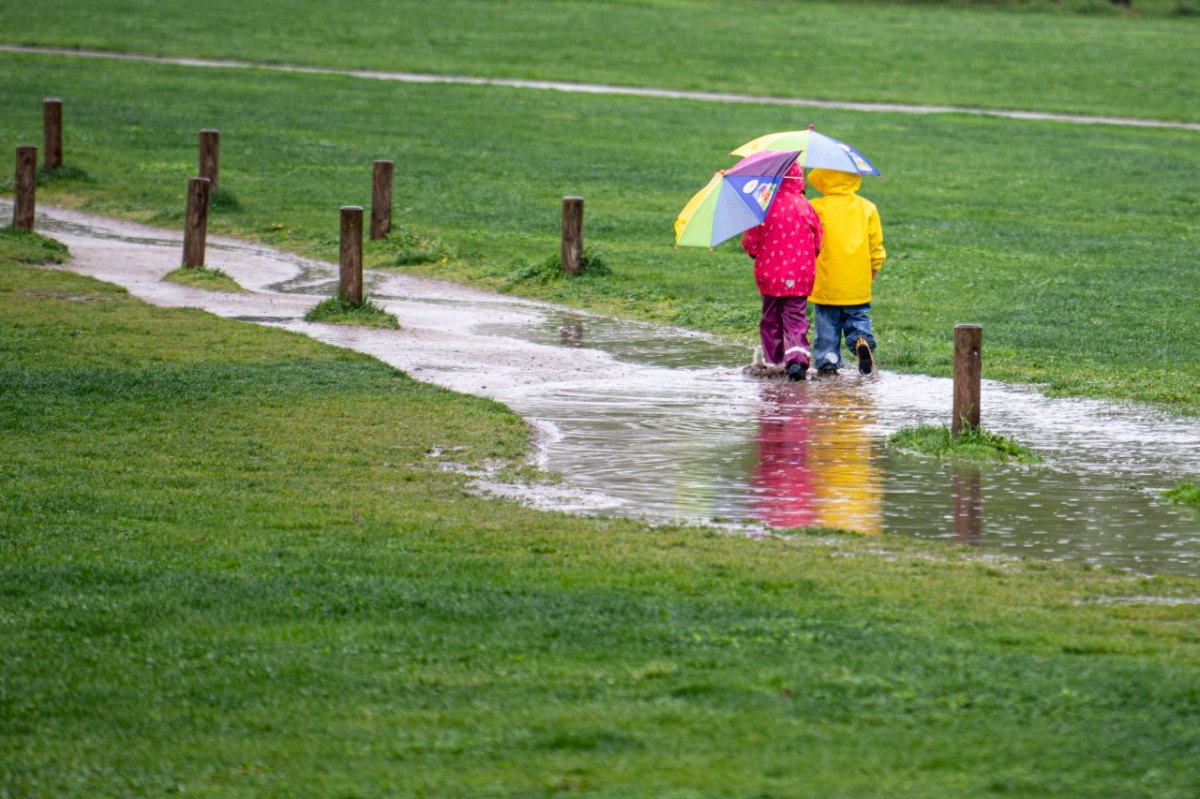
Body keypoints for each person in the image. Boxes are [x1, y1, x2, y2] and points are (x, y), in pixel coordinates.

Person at [741, 162, 823, 382]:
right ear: (800, 181)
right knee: (796, 317)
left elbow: (751, 240)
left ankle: (774, 361)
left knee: (771, 318)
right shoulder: (806, 206)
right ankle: (797, 360)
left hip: (770, 276)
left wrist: (753, 251)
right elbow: (818, 240)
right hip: (800, 275)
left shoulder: (763, 206)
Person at [807, 168, 887, 376]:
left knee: (827, 322)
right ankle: (861, 340)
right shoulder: (867, 208)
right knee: (857, 315)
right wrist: (875, 266)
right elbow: (875, 243)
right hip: (857, 278)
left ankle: (827, 362)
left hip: (826, 279)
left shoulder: (816, 207)